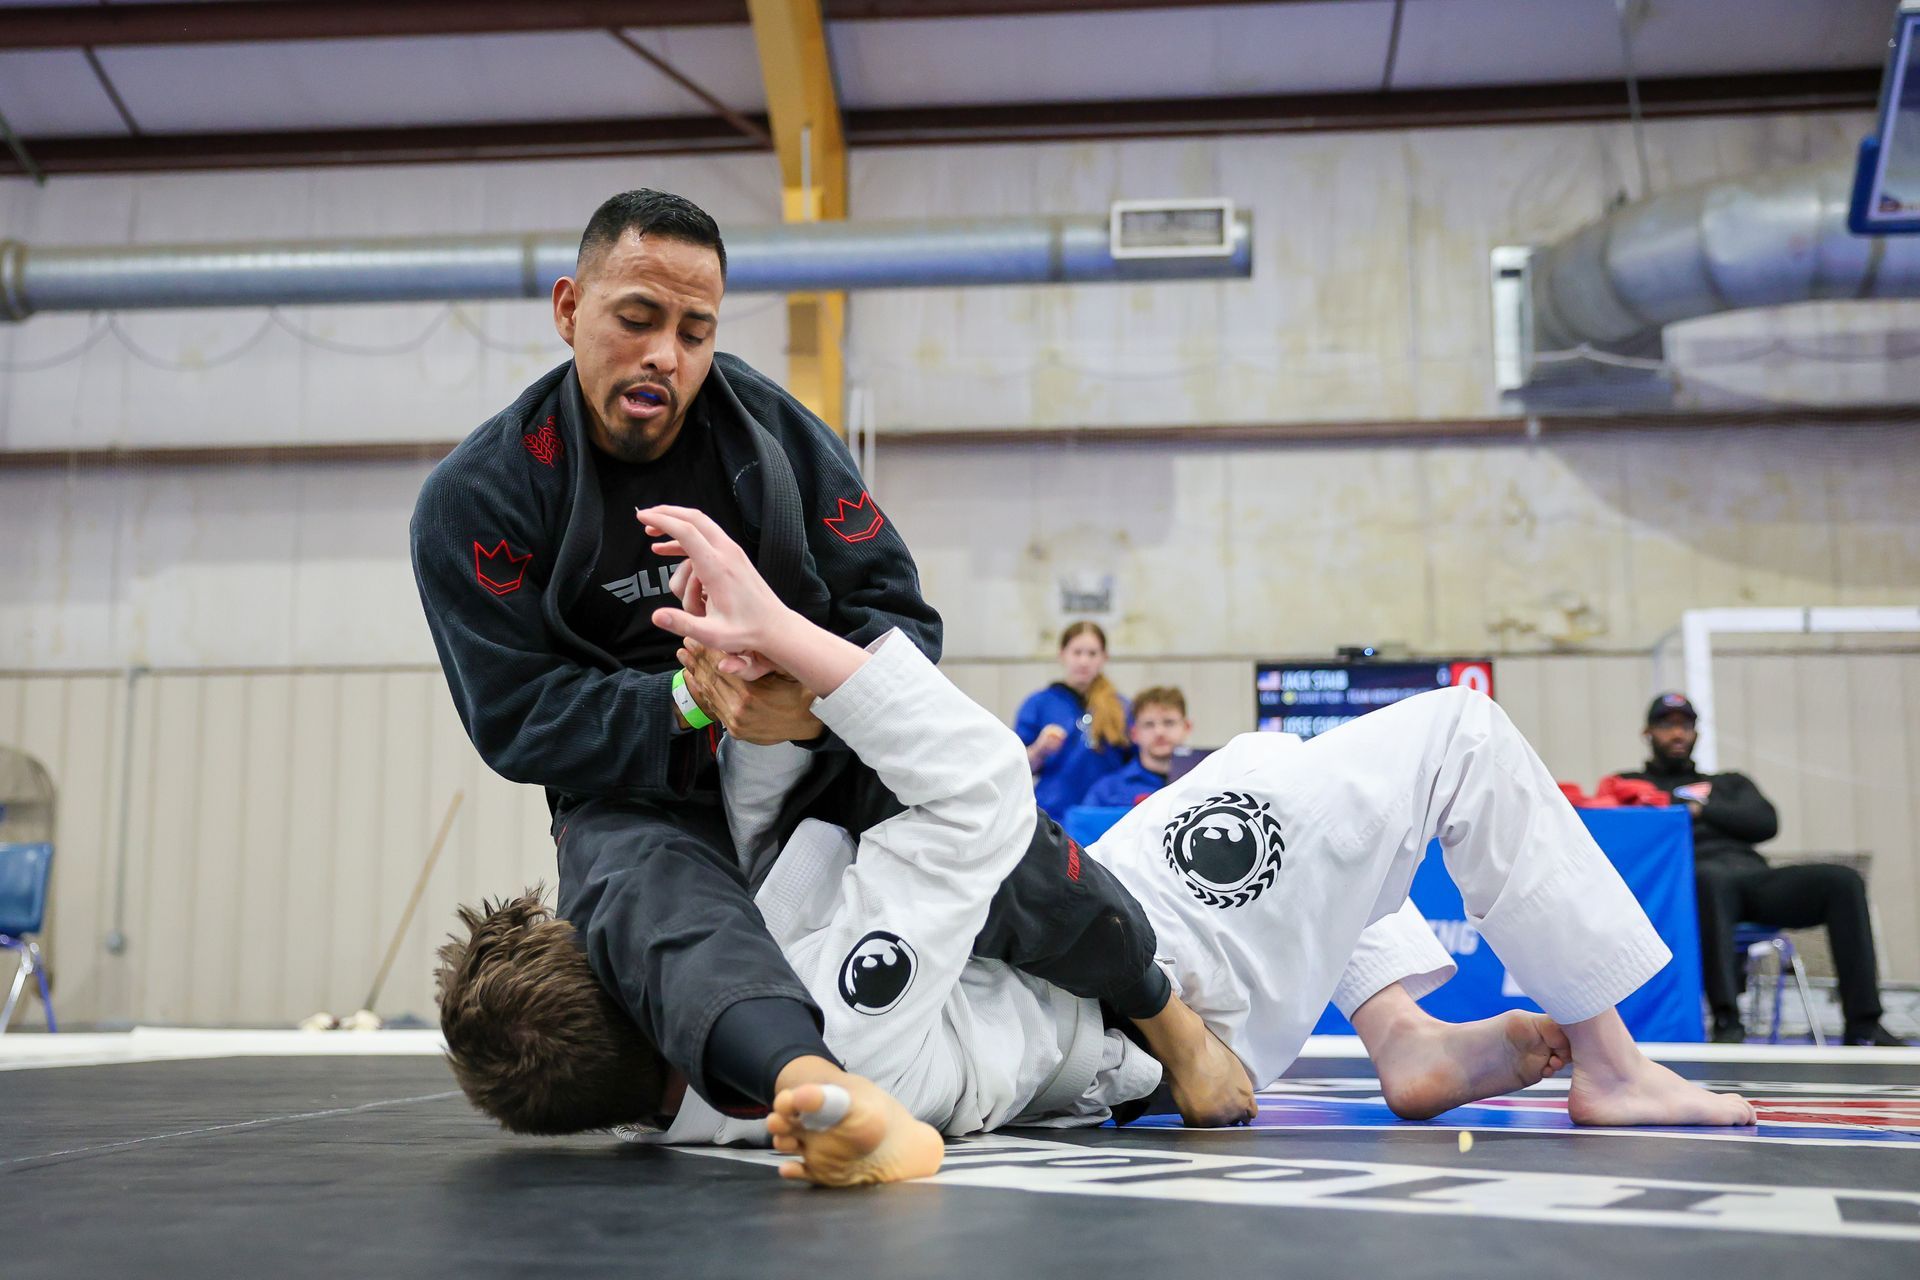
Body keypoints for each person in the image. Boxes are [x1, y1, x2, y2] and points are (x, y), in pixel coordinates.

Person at [436, 504, 1756, 1188]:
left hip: (1105, 971)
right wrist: (798, 646)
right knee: (1454, 736)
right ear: (640, 975)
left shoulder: (713, 1089)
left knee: (1261, 763)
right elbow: (977, 800)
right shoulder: (824, 1026)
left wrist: (759, 726)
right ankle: (1612, 1062)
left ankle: (1404, 1032)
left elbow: (785, 840)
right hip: (1173, 982)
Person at [409, 188, 952, 1120]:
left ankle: (1160, 1012)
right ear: (570, 308)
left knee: (969, 803)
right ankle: (809, 1089)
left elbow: (900, 620)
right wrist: (693, 701)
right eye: (637, 318)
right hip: (639, 795)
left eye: (696, 331)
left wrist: (812, 705)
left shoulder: (772, 437)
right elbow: (515, 717)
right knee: (638, 890)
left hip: (817, 751)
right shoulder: (479, 499)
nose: (667, 354)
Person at [1615, 693, 1905, 1047]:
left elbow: (1764, 822)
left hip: (1755, 881)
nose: (1677, 734)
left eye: (1685, 726)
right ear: (1648, 732)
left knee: (1842, 881)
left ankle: (1864, 1025)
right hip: (1692, 890)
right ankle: (1727, 1020)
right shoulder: (1629, 785)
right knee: (1709, 879)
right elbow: (1626, 836)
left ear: (1696, 733)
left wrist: (1699, 810)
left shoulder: (1729, 782)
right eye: (1667, 725)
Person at [1015, 622, 1133, 820]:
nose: (1084, 661)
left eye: (1092, 654)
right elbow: (1016, 767)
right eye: (1077, 652)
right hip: (1054, 815)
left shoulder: (1121, 707)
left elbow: (1137, 763)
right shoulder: (1039, 704)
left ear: (1104, 657)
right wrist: (1039, 750)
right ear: (1062, 655)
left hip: (1106, 815)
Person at [1083, 685, 1192, 808]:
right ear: (1134, 734)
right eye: (1149, 724)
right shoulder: (1107, 792)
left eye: (1169, 722)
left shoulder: (1206, 782)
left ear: (1187, 727)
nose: (1159, 732)